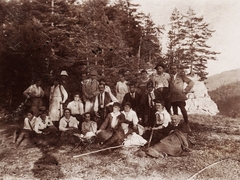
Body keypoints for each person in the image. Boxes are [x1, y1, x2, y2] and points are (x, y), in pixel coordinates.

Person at [169, 64, 194, 132]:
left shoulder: (181, 76)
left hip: (180, 96)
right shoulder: (170, 78)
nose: (173, 70)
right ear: (170, 70)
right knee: (175, 112)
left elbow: (191, 82)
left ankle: (187, 124)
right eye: (172, 69)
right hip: (173, 98)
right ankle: (176, 126)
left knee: (183, 110)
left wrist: (186, 90)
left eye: (175, 68)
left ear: (177, 69)